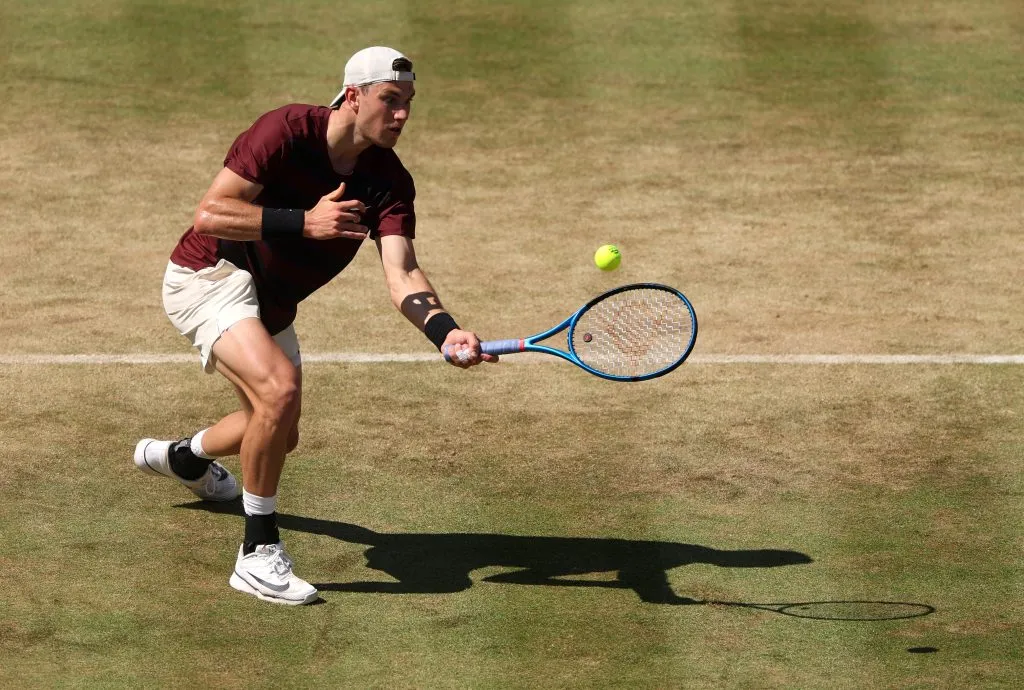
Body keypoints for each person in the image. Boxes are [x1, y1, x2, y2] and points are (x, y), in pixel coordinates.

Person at [133, 46, 496, 606]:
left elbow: (402, 274)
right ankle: (257, 554)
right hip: (209, 274)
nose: (401, 115)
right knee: (279, 389)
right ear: (353, 96)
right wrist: (305, 222)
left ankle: (184, 456)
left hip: (271, 303)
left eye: (409, 104)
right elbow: (210, 212)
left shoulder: (389, 181)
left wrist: (443, 329)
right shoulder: (284, 131)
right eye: (390, 101)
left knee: (279, 430)